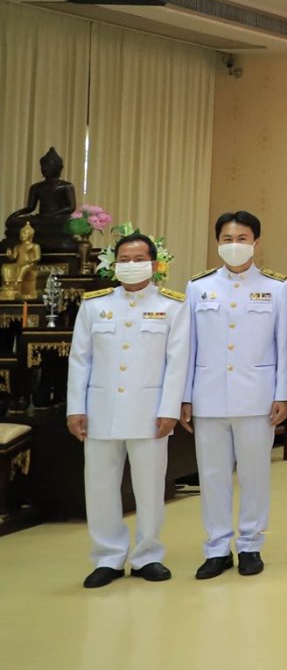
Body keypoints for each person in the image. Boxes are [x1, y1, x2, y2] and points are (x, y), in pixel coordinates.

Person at [67, 234, 188, 588]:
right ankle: (107, 556)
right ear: (113, 264)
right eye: (124, 259)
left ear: (154, 264)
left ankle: (148, 555)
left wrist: (170, 409)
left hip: (150, 412)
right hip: (100, 410)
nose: (131, 265)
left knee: (149, 486)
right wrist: (75, 407)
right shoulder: (94, 305)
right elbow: (80, 359)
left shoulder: (172, 306)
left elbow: (177, 363)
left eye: (138, 259)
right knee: (100, 486)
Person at [180, 211, 287, 579]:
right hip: (208, 396)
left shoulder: (277, 287)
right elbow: (188, 347)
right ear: (217, 243)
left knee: (254, 476)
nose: (234, 245)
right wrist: (184, 396)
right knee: (212, 476)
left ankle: (250, 546)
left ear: (255, 242)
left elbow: (284, 346)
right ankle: (216, 548)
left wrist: (283, 394)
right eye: (227, 239)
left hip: (257, 398)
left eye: (242, 238)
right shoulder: (198, 287)